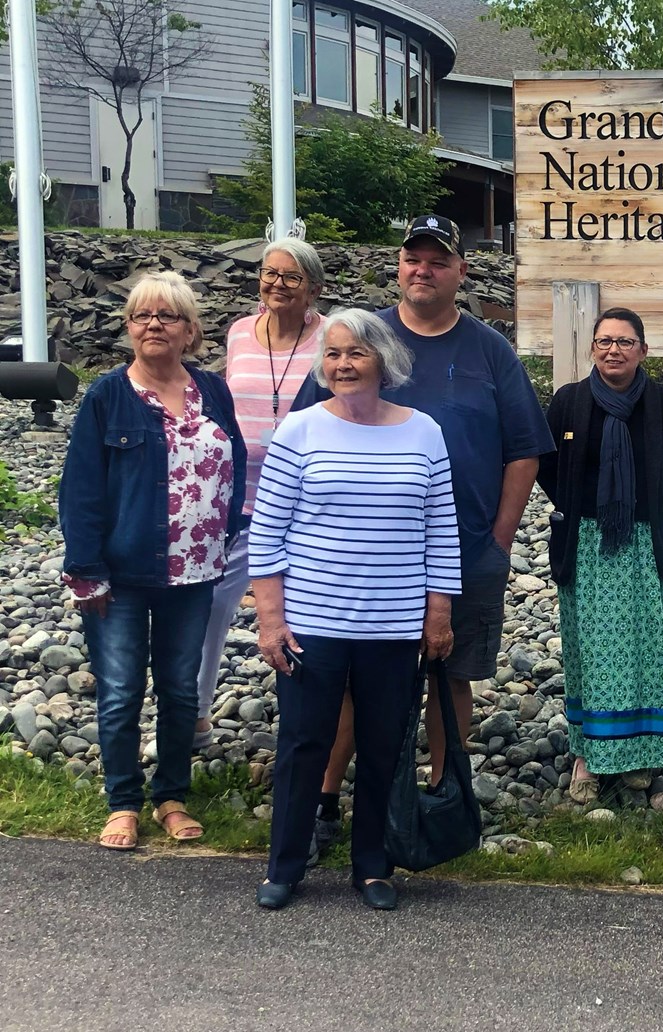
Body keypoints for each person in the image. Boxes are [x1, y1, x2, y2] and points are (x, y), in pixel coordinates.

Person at [293, 215, 552, 857]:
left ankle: (440, 799)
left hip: (465, 551)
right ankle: (326, 800)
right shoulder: (362, 338)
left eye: (438, 260)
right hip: (364, 558)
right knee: (354, 680)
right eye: (413, 258)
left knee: (450, 675)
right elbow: (306, 432)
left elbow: (525, 449)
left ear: (460, 272)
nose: (423, 270)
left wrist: (497, 537)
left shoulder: (489, 350)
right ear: (399, 265)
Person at [249, 308, 460, 911]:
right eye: (334, 354)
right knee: (302, 744)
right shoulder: (301, 430)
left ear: (383, 362)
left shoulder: (424, 432)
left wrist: (437, 612)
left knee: (385, 744)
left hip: (393, 625)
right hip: (312, 623)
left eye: (356, 354)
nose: (343, 365)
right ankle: (285, 866)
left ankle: (372, 864)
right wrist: (271, 620)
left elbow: (439, 530)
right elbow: (268, 533)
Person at [59, 271, 246, 851]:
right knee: (119, 690)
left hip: (195, 571)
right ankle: (123, 801)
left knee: (180, 689)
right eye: (142, 315)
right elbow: (82, 489)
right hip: (122, 571)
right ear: (129, 327)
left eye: (166, 316)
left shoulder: (212, 390)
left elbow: (233, 462)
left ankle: (171, 795)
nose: (153, 325)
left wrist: (228, 530)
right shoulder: (107, 395)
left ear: (190, 330)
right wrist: (85, 570)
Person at [537, 307, 663, 804]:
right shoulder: (569, 402)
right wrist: (582, 508)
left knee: (647, 644)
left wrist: (649, 508)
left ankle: (642, 754)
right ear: (592, 348)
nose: (614, 350)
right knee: (590, 646)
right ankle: (588, 754)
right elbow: (547, 467)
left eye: (625, 342)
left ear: (643, 350)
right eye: (605, 341)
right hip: (585, 544)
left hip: (645, 542)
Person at [194, 238, 325, 749]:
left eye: (292, 277)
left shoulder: (327, 338)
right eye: (270, 273)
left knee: (303, 619)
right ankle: (196, 717)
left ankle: (307, 732)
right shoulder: (239, 334)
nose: (277, 284)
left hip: (305, 504)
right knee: (209, 608)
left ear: (314, 287)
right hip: (238, 500)